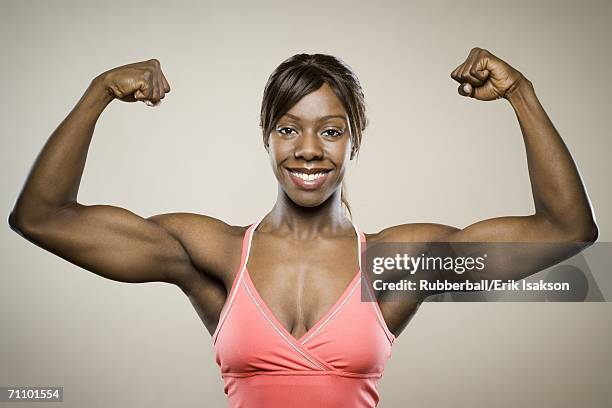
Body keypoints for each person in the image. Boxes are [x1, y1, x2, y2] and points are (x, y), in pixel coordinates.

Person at [8, 48, 598, 407]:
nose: (309, 150)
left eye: (331, 130)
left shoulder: (392, 265)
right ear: (267, 136)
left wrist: (521, 93)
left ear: (354, 140)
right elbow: (41, 217)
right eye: (289, 129)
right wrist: (99, 93)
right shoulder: (214, 254)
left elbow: (568, 232)